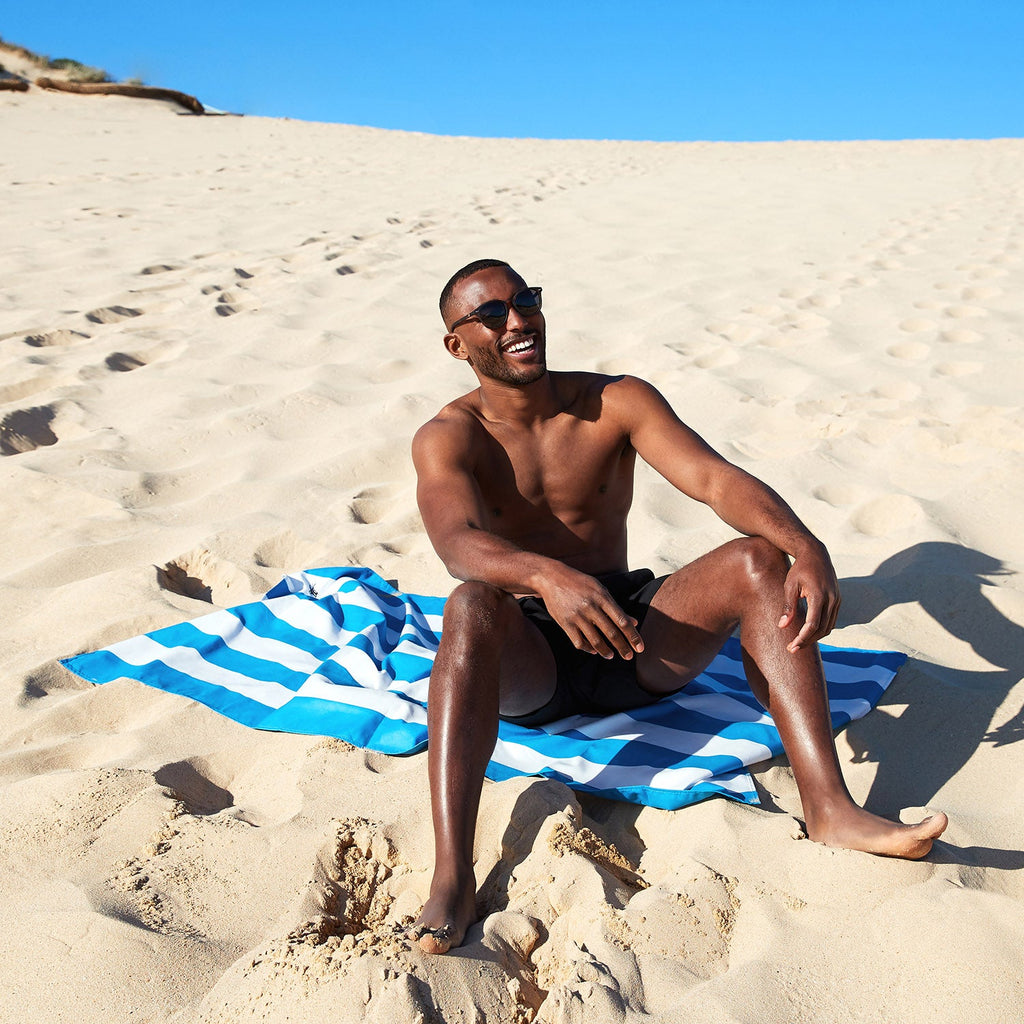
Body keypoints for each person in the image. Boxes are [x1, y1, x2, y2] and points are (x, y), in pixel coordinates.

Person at [409, 258, 947, 955]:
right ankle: (453, 874)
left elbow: (713, 480)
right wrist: (546, 576)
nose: (517, 321)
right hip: (530, 657)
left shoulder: (617, 401)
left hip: (631, 635)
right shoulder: (450, 435)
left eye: (526, 301)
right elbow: (456, 542)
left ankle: (830, 806)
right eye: (491, 314)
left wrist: (805, 545)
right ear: (458, 345)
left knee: (758, 561)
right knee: (469, 605)